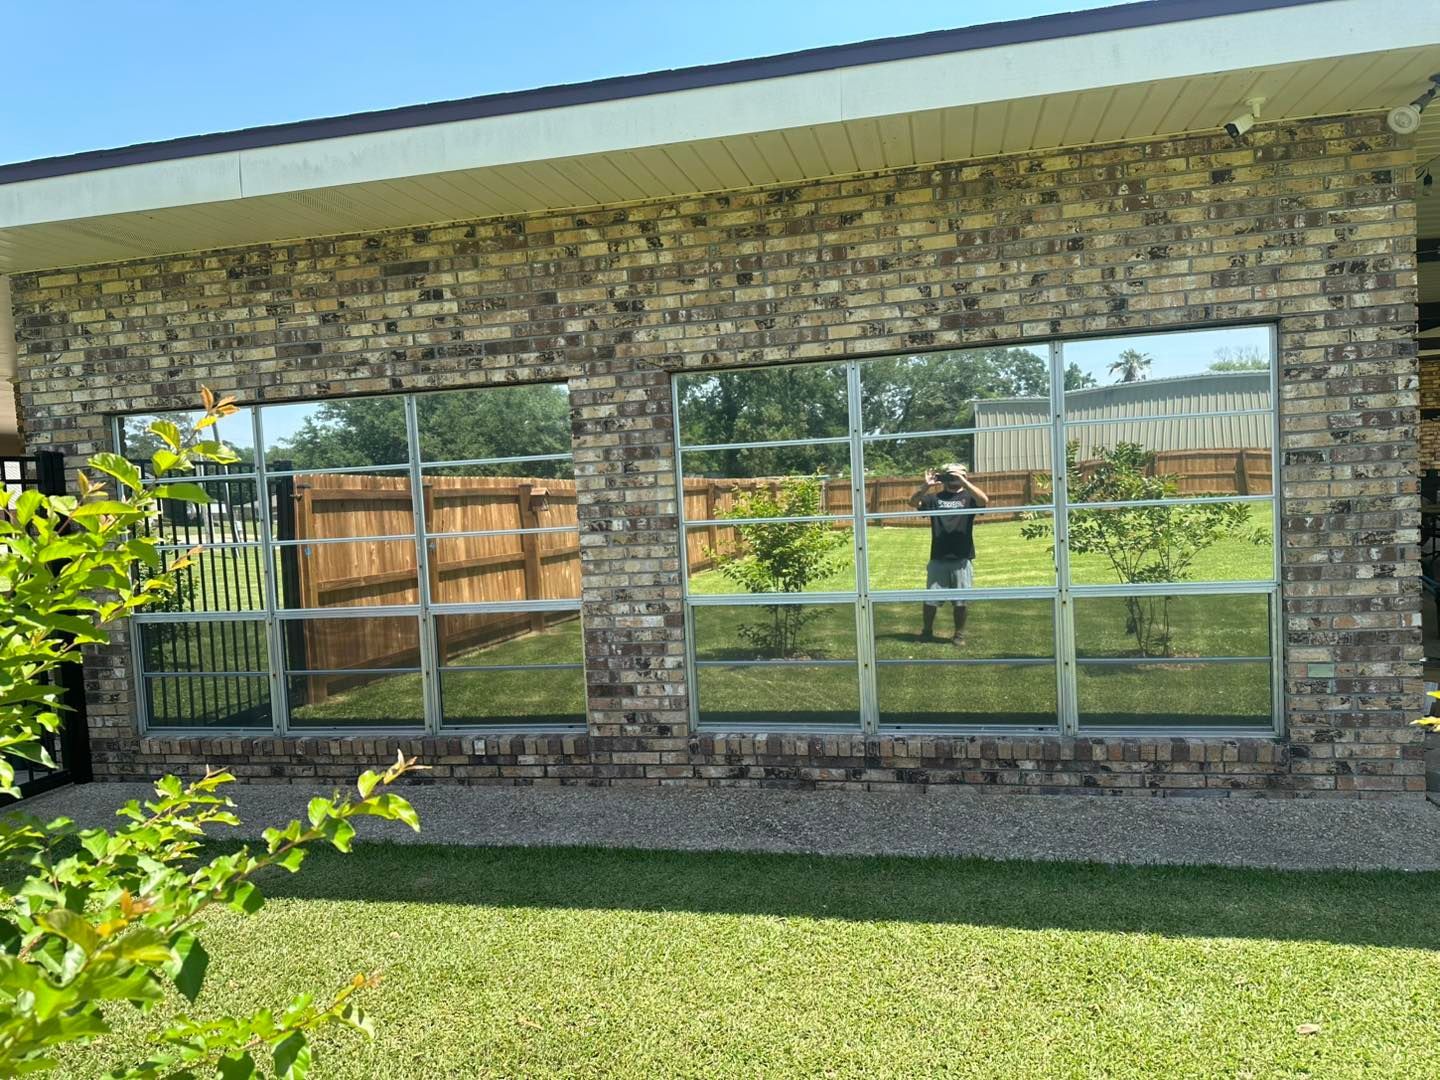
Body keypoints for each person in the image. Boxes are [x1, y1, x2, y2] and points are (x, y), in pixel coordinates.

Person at [907, 462, 989, 645]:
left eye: (957, 476)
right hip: (938, 556)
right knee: (930, 599)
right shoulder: (934, 498)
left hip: (961, 557)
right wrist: (925, 486)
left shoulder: (970, 497)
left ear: (964, 477)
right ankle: (926, 631)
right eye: (950, 476)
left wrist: (964, 483)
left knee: (961, 601)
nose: (954, 480)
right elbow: (913, 502)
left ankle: (959, 634)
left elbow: (984, 501)